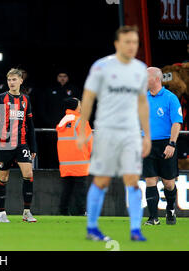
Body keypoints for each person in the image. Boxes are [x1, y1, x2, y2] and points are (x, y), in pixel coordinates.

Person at [76, 25, 151, 242]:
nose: (131, 46)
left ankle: (136, 230)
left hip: (130, 133)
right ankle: (92, 227)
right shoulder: (101, 67)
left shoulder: (140, 69)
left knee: (133, 180)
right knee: (101, 180)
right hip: (107, 131)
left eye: (135, 42)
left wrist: (147, 134)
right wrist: (82, 129)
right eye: (127, 42)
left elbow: (142, 104)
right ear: (117, 44)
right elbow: (88, 98)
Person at [0, 68, 37, 223]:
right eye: (9, 80)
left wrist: (34, 147)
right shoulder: (0, 98)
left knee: (28, 175)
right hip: (4, 144)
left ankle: (26, 212)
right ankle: (2, 213)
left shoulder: (25, 99)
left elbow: (30, 124)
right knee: (3, 178)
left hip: (22, 143)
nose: (11, 82)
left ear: (20, 81)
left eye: (14, 79)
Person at [143, 67, 183, 226]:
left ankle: (170, 208)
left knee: (168, 183)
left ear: (156, 79)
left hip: (166, 143)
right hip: (147, 143)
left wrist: (172, 143)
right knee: (150, 180)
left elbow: (176, 123)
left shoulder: (171, 98)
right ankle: (153, 218)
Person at [56, 97, 92, 216]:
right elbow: (89, 141)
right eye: (79, 104)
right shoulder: (81, 121)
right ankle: (80, 212)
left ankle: (63, 211)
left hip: (65, 162)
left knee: (67, 188)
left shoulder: (63, 121)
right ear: (76, 106)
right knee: (80, 189)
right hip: (80, 160)